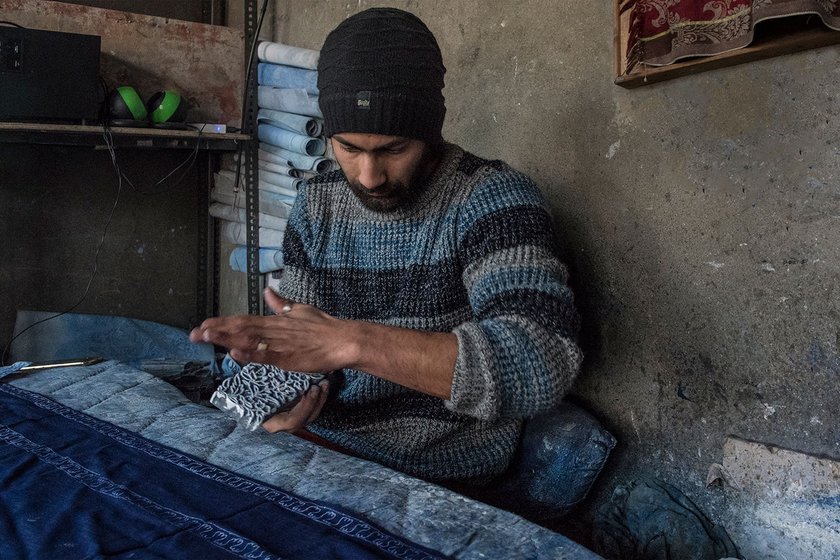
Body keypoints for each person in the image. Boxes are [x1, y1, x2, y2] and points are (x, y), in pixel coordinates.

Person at [191, 7, 583, 485]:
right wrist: (289, 388)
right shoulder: (317, 204)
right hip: (326, 444)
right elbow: (310, 345)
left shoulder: (490, 198)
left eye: (393, 150)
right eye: (348, 148)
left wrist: (354, 343)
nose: (368, 177)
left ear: (430, 130)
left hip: (436, 470)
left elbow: (540, 360)